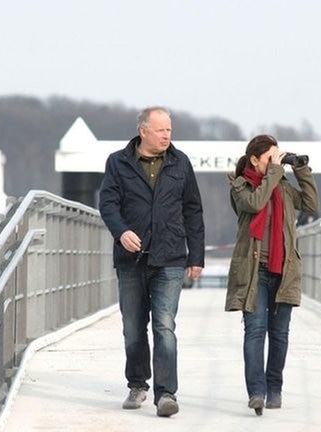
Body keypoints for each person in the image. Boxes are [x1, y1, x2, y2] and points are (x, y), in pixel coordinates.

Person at [98, 106, 205, 418]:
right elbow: (107, 204)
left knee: (164, 326)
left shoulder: (180, 162)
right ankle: (137, 383)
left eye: (169, 130)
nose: (167, 135)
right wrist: (121, 232)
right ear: (143, 131)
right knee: (133, 327)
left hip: (170, 256)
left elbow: (193, 210)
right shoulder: (118, 162)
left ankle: (166, 393)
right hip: (131, 258)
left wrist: (195, 255)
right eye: (161, 130)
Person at [225, 134, 319, 415]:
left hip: (284, 270)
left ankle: (274, 387)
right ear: (255, 160)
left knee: (279, 334)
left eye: (278, 157)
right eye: (270, 158)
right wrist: (276, 173)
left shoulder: (284, 188)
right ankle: (256, 392)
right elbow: (255, 203)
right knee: (255, 332)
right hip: (254, 272)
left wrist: (300, 169)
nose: (276, 163)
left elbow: (311, 205)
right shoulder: (241, 186)